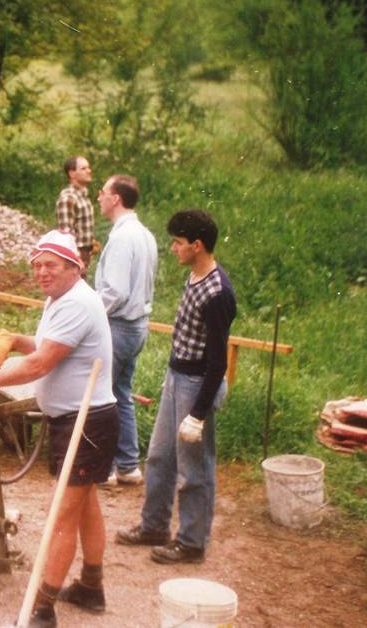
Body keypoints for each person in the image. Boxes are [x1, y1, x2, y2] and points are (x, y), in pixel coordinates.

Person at [0, 229, 116, 627]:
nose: (41, 272)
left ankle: (43, 607)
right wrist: (16, 339)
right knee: (84, 504)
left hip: (86, 422)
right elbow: (49, 344)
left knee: (62, 515)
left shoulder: (77, 303)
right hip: (77, 419)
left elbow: (42, 364)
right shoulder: (62, 300)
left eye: (50, 265)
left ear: (75, 266)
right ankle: (91, 586)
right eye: (36, 265)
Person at [116, 209, 236, 564]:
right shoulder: (195, 276)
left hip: (197, 384)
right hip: (176, 376)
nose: (173, 249)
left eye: (178, 243)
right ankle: (154, 526)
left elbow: (218, 361)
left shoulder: (218, 293)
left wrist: (197, 414)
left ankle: (192, 542)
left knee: (194, 469)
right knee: (159, 457)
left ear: (197, 246)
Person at [93, 175, 158, 486]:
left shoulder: (122, 237)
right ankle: (129, 466)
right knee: (121, 394)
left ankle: (104, 469)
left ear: (116, 198)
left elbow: (115, 290)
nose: (99, 197)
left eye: (103, 192)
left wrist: (89, 314)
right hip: (137, 327)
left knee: (99, 396)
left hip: (119, 326)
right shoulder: (144, 234)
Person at [56, 156, 99, 271]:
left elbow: (80, 226)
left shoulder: (83, 196)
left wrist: (91, 242)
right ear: (72, 174)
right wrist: (76, 261)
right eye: (83, 168)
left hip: (85, 253)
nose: (89, 171)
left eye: (88, 168)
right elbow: (66, 235)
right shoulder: (68, 198)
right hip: (76, 256)